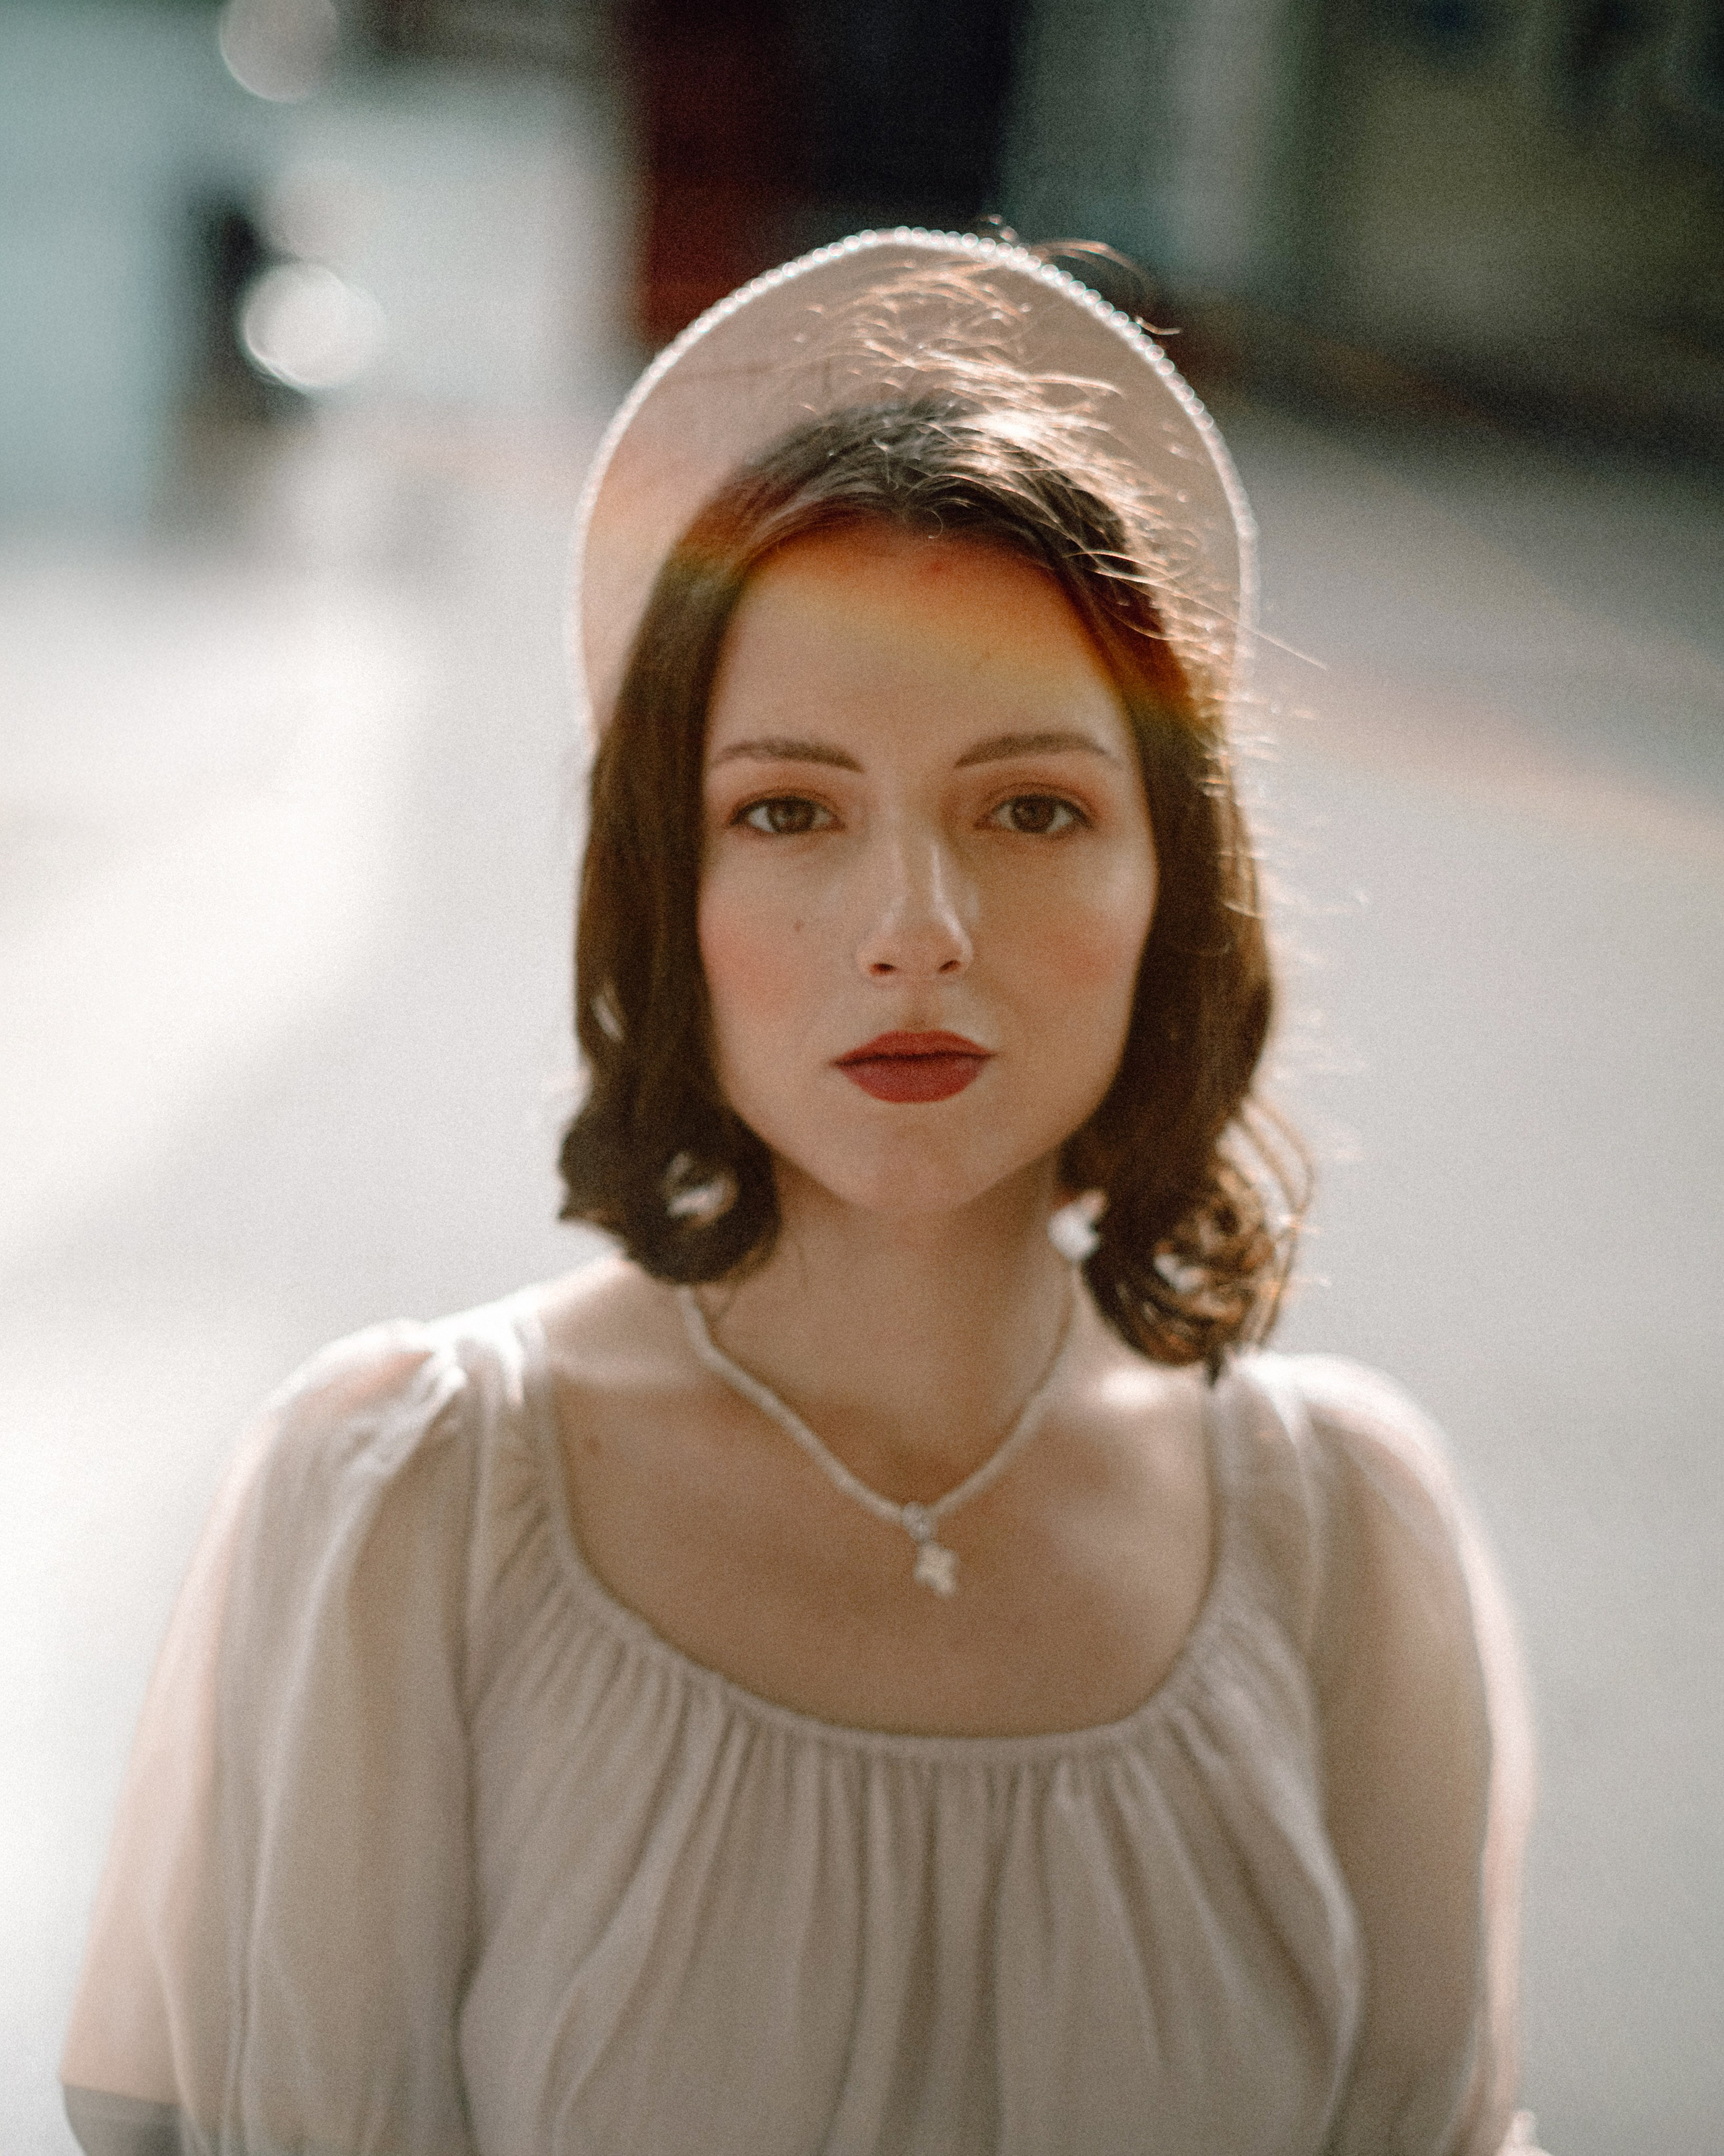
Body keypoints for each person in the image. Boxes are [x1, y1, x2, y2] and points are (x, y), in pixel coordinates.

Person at [61, 231, 1541, 2155]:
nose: (916, 931)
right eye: (789, 811)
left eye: (1032, 808)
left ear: (1171, 878)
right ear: (664, 890)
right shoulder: (412, 1498)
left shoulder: (1348, 1536)